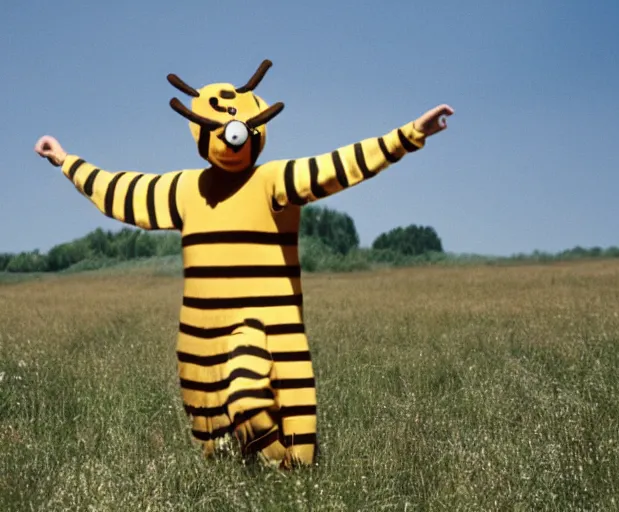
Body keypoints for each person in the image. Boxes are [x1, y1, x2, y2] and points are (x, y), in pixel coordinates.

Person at [34, 59, 454, 469]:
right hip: (199, 339)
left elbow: (336, 167)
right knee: (217, 449)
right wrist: (66, 161)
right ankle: (259, 480)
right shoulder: (185, 189)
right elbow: (118, 190)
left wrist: (410, 134)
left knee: (251, 399)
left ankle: (281, 469)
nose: (232, 140)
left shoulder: (272, 181)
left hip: (265, 327)